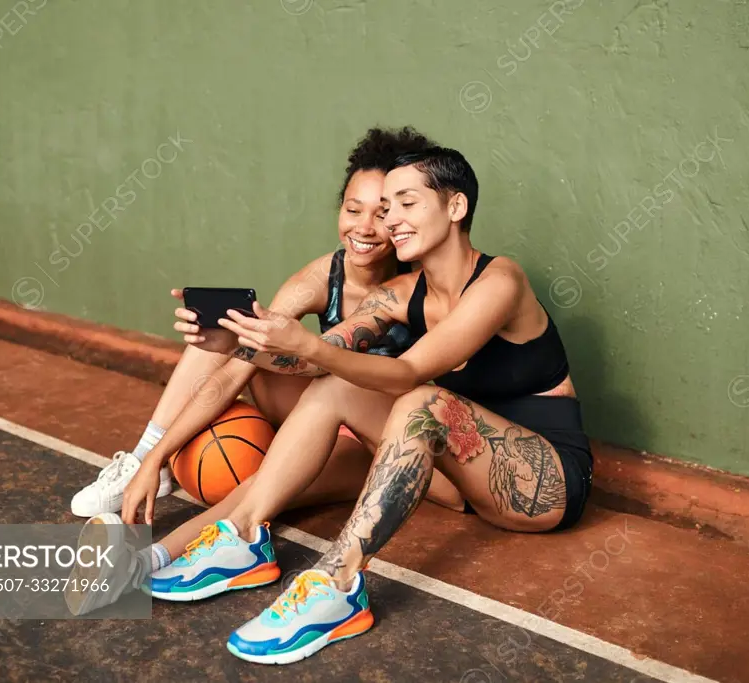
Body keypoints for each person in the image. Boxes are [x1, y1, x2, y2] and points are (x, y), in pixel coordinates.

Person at [73, 144, 592, 666]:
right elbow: (323, 361)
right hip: (459, 471)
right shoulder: (398, 293)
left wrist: (303, 345)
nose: (390, 219)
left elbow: (410, 372)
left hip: (545, 481)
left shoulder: (500, 281)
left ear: (455, 207)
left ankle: (338, 585)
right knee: (334, 388)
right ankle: (240, 539)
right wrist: (239, 341)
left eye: (405, 203)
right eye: (387, 207)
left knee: (421, 400)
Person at [63, 128, 466, 610]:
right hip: (324, 415)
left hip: (385, 442)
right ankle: (144, 456)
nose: (364, 227)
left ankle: (143, 563)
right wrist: (156, 458)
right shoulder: (324, 276)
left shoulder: (418, 286)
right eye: (353, 209)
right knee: (235, 336)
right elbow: (238, 370)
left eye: (384, 213)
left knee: (261, 477)